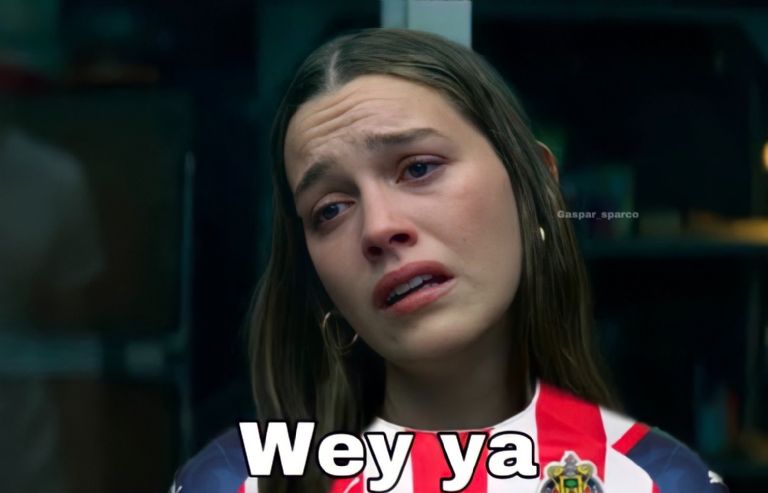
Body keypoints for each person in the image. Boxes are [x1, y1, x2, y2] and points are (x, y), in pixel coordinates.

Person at [171, 28, 729, 493]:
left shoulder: (655, 481)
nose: (379, 227)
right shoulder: (236, 482)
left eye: (418, 168)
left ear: (537, 188)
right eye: (331, 209)